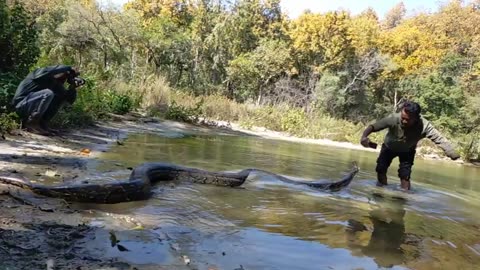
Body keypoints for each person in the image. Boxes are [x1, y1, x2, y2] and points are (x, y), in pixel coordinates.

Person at [360, 101, 460, 190]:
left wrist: (451, 152)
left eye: (407, 120)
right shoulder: (394, 118)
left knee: (405, 175)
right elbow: (373, 127)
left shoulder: (424, 126)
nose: (404, 121)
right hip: (388, 147)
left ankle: (403, 198)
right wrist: (364, 137)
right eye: (403, 118)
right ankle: (381, 190)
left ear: (416, 118)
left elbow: (439, 139)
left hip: (407, 151)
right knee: (381, 169)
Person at [12, 64, 84, 135]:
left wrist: (72, 87)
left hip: (29, 105)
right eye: (65, 75)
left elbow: (69, 100)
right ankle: (30, 124)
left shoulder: (54, 83)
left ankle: (42, 124)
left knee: (58, 97)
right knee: (47, 93)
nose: (64, 78)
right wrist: (69, 68)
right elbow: (49, 70)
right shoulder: (39, 73)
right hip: (21, 104)